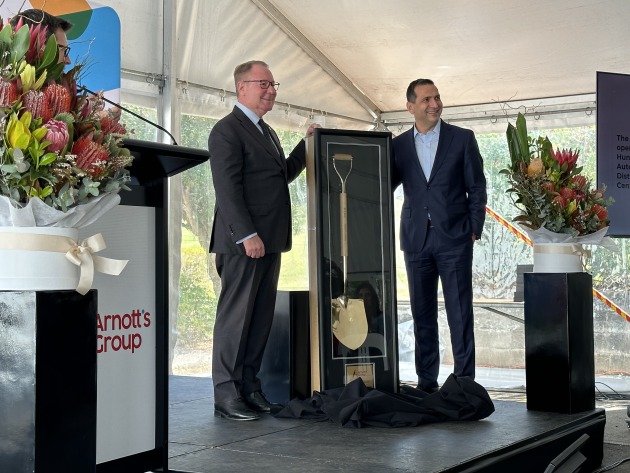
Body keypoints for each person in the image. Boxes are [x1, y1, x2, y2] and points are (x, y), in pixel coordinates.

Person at [208, 60, 318, 421]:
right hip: (243, 242)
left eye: (274, 84)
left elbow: (279, 175)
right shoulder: (227, 131)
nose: (271, 90)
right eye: (264, 84)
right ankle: (226, 394)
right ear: (242, 88)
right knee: (235, 320)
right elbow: (227, 189)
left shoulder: (265, 131)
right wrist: (246, 234)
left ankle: (249, 388)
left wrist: (305, 146)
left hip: (269, 241)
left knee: (258, 320)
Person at [392, 78, 487, 394]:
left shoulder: (462, 139)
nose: (434, 104)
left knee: (460, 312)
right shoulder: (398, 146)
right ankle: (426, 382)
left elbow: (477, 186)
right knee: (422, 313)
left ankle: (464, 382)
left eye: (437, 98)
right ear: (410, 107)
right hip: (416, 240)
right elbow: (381, 184)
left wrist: (473, 228)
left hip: (455, 238)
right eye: (426, 100)